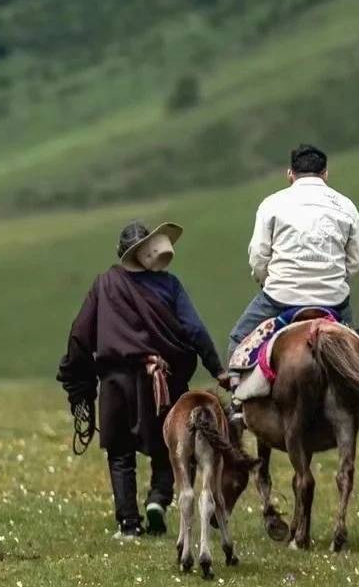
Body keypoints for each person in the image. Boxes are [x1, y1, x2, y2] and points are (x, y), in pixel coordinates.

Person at [57, 220, 230, 541]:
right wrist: (215, 366)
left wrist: (74, 375)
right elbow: (194, 330)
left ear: (122, 253)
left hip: (116, 382)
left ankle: (129, 524)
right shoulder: (170, 285)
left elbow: (81, 334)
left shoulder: (104, 284)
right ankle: (158, 501)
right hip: (163, 379)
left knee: (120, 453)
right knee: (169, 447)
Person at [225, 144, 359, 414]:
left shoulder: (272, 203)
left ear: (290, 174)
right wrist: (330, 279)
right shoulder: (347, 206)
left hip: (281, 298)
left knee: (238, 338)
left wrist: (266, 279)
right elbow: (356, 263)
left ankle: (237, 404)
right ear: (325, 174)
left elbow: (258, 256)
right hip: (334, 300)